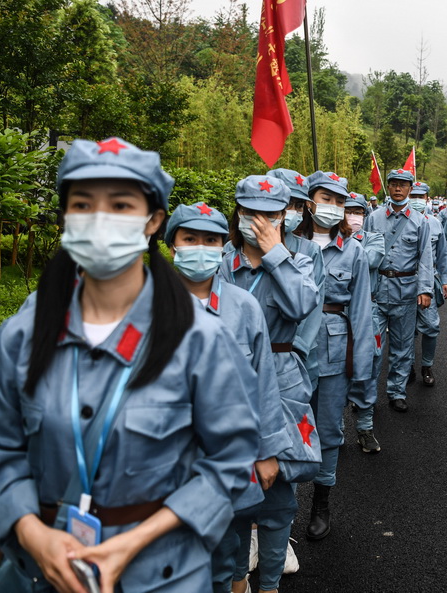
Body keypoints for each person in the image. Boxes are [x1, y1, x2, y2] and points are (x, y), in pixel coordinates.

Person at [0, 138, 261, 592]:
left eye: (121, 205)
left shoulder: (200, 338)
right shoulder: (23, 334)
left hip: (161, 573)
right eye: (83, 204)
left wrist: (133, 541)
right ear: (65, 218)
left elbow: (231, 460)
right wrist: (28, 530)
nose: (100, 220)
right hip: (38, 573)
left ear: (153, 221)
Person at [164, 202, 291, 591]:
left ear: (223, 246)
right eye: (190, 239)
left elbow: (264, 384)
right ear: (172, 245)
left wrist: (267, 450)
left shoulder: (244, 308)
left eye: (210, 240)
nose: (200, 247)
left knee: (221, 558)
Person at [221, 175, 320, 593]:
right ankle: (238, 577)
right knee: (234, 496)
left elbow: (302, 304)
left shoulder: (297, 260)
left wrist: (275, 253)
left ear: (284, 218)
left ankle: (272, 584)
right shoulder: (222, 260)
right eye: (250, 213)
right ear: (237, 214)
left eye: (270, 214)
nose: (258, 222)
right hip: (227, 382)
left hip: (280, 382)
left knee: (278, 497)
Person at [291, 171, 374, 541]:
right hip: (290, 350)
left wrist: (363, 368)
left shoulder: (353, 250)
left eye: (339, 201)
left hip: (333, 350)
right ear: (310, 202)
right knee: (288, 428)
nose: (333, 207)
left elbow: (360, 311)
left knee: (327, 430)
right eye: (326, 198)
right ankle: (281, 508)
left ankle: (321, 502)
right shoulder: (288, 243)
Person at [364, 169, 434, 413]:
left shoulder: (420, 221)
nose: (397, 188)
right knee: (371, 347)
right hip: (376, 290)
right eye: (393, 184)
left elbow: (425, 257)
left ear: (410, 188)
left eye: (402, 185)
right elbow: (364, 253)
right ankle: (366, 396)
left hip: (405, 291)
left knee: (402, 347)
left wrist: (425, 289)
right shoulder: (373, 218)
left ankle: (396, 392)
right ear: (388, 187)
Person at [267, 168, 326, 394]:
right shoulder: (233, 250)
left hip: (294, 356)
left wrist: (296, 352)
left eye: (298, 206)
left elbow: (312, 312)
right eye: (287, 203)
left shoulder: (309, 251)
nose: (291, 212)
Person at [346, 193, 385, 453]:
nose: (352, 217)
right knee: (330, 370)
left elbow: (370, 260)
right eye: (347, 211)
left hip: (367, 309)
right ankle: (332, 427)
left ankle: (365, 426)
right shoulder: (320, 242)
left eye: (357, 212)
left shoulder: (374, 239)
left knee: (368, 365)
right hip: (332, 311)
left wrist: (340, 242)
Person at [407, 182, 447, 386]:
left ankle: (427, 364)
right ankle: (406, 365)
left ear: (427, 198)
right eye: (413, 195)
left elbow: (443, 253)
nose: (417, 199)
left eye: (421, 196)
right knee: (405, 327)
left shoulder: (435, 222)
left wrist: (445, 280)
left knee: (431, 326)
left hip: (429, 280)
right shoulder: (400, 220)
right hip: (404, 279)